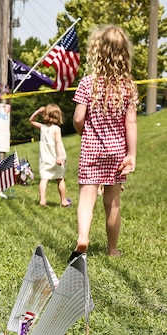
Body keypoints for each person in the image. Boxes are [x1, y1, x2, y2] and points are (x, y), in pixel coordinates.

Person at [70, 25, 138, 262]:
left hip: (91, 149)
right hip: (117, 152)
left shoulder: (88, 83)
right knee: (113, 204)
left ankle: (83, 237)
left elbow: (78, 118)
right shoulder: (128, 87)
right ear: (124, 53)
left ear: (96, 51)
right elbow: (131, 123)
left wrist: (84, 132)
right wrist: (132, 155)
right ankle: (112, 249)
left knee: (86, 201)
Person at [29, 104, 70, 207]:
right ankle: (63, 200)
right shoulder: (56, 129)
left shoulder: (43, 128)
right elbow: (58, 142)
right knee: (60, 178)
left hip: (45, 159)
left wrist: (38, 111)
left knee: (44, 179)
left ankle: (42, 200)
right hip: (56, 158)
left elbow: (31, 120)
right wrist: (60, 156)